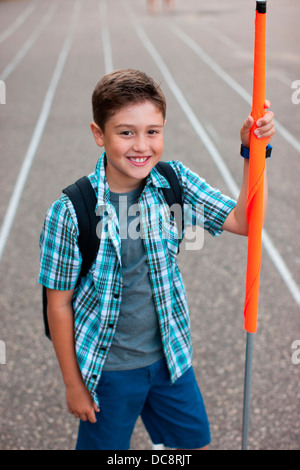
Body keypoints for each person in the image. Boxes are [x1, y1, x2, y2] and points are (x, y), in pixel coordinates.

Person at [39, 69, 275, 450]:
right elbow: (59, 305)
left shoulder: (173, 182)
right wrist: (73, 384)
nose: (141, 145)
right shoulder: (70, 212)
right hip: (109, 371)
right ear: (99, 134)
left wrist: (253, 152)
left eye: (153, 131)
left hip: (171, 361)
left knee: (192, 446)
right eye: (126, 132)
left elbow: (245, 221)